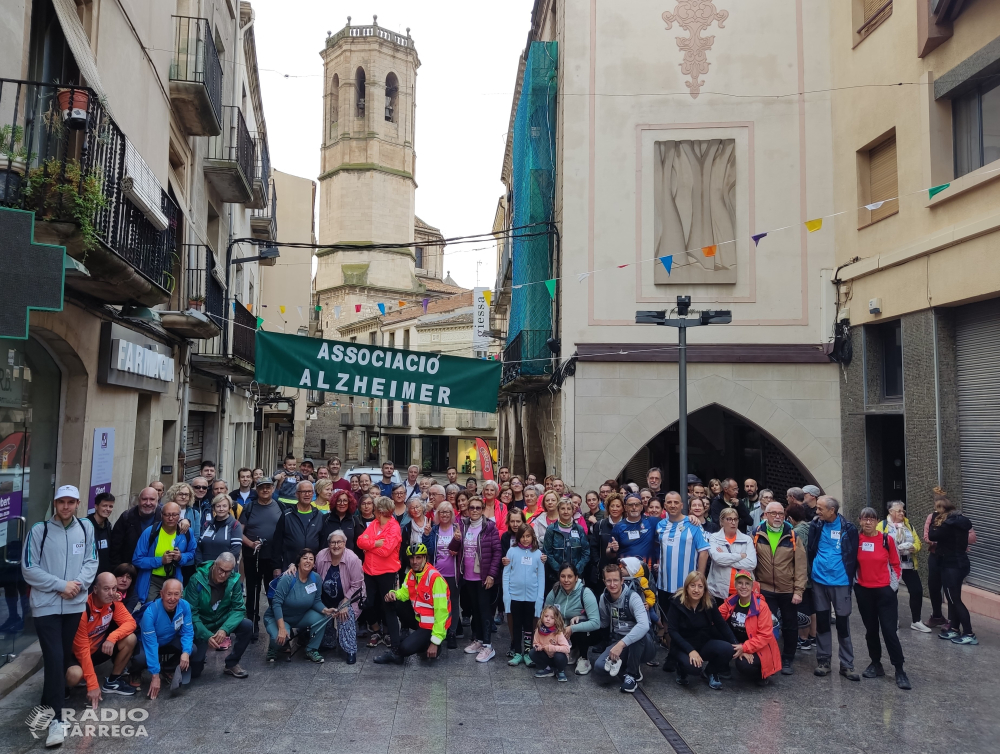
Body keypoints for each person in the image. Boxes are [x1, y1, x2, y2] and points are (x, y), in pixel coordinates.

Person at [22, 484, 98, 745]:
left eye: (71, 502)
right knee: (54, 657)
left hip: (74, 605)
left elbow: (92, 561)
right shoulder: (38, 530)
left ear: (77, 504)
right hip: (46, 607)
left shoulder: (86, 528)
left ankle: (47, 701)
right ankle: (56, 720)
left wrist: (76, 585)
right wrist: (60, 585)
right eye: (61, 502)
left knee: (62, 657)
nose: (66, 506)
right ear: (55, 504)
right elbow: (29, 568)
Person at [854, 508, 910, 689]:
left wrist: (892, 586)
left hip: (885, 592)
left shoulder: (887, 540)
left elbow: (896, 563)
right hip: (864, 591)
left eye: (871, 519)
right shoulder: (856, 540)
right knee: (871, 630)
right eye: (865, 519)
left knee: (889, 631)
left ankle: (899, 669)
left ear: (877, 521)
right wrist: (856, 584)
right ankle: (875, 663)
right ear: (860, 521)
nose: (868, 522)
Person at [807, 496, 860, 680]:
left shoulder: (849, 528)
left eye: (821, 509)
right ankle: (823, 661)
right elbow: (811, 550)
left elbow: (853, 554)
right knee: (822, 621)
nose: (817, 511)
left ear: (832, 510)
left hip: (841, 581)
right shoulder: (816, 525)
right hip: (819, 580)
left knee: (843, 624)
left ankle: (847, 664)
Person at [372, 543, 451, 664]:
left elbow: (442, 613)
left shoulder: (435, 578)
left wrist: (435, 641)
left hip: (431, 625)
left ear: (425, 558)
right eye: (412, 558)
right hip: (418, 619)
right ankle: (395, 650)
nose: (414, 561)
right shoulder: (411, 574)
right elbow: (403, 593)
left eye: (418, 557)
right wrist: (393, 594)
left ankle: (431, 644)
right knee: (389, 601)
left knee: (405, 648)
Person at [752, 502, 807, 675]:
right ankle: (768, 656)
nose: (777, 517)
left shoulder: (792, 535)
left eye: (781, 514)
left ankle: (788, 658)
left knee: (790, 625)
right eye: (774, 513)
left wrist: (798, 590)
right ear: (765, 515)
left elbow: (801, 566)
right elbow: (751, 563)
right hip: (765, 589)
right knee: (767, 625)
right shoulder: (756, 534)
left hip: (787, 589)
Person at [67, 572, 138, 706]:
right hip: (77, 655)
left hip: (96, 650)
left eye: (114, 588)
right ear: (95, 589)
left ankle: (112, 681)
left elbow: (131, 623)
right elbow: (82, 650)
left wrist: (112, 637)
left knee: (130, 638)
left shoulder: (113, 604)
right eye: (106, 589)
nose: (111, 593)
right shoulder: (83, 609)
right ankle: (62, 687)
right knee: (74, 675)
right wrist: (93, 684)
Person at [184, 552, 252, 679]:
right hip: (202, 623)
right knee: (195, 673)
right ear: (214, 565)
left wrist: (224, 629)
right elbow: (191, 613)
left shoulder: (234, 580)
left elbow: (239, 609)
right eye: (221, 570)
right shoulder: (196, 579)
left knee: (247, 625)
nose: (223, 574)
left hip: (221, 619)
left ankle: (232, 663)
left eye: (228, 571)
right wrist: (207, 635)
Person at [667, 571, 737, 690]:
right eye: (692, 585)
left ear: (704, 589)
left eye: (700, 586)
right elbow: (672, 631)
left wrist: (738, 645)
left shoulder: (709, 602)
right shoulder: (677, 602)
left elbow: (722, 625)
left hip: (703, 642)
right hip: (683, 646)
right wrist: (690, 650)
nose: (696, 590)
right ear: (686, 587)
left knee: (728, 648)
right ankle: (681, 668)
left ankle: (711, 671)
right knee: (694, 669)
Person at [592, 564, 656, 693]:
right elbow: (603, 623)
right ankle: (629, 664)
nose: (612, 584)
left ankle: (632, 675)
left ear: (622, 580)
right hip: (618, 640)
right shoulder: (603, 599)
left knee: (638, 632)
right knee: (599, 668)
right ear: (604, 581)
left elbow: (644, 625)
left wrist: (621, 644)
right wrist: (583, 619)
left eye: (615, 580)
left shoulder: (633, 597)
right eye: (608, 580)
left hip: (644, 645)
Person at [263, 548, 329, 663]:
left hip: (301, 616)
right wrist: (282, 628)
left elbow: (316, 601)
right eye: (305, 558)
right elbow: (276, 603)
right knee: (279, 640)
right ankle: (273, 647)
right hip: (279, 617)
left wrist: (325, 610)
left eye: (311, 559)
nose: (308, 561)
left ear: (314, 564)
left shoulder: (316, 578)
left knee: (323, 617)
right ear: (298, 562)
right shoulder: (288, 577)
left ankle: (311, 649)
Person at [717, 571, 781, 686]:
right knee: (716, 633)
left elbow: (764, 636)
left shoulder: (761, 606)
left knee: (744, 665)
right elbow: (716, 618)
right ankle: (722, 667)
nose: (743, 586)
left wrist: (745, 648)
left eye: (747, 583)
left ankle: (763, 674)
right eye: (740, 583)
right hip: (740, 643)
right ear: (735, 585)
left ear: (752, 586)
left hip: (760, 646)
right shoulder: (731, 601)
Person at [131, 579, 193, 698]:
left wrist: (185, 652)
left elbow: (187, 632)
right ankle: (135, 672)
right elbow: (151, 644)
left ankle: (167, 668)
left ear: (181, 594)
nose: (172, 598)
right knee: (140, 659)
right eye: (169, 594)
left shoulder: (185, 606)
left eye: (176, 594)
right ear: (162, 594)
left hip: (169, 639)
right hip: (149, 642)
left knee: (192, 649)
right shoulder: (150, 613)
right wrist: (155, 675)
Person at [928, 491, 976, 645]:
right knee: (952, 598)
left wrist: (933, 519)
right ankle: (955, 628)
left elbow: (932, 536)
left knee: (955, 600)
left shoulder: (947, 525)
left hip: (952, 565)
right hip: (961, 563)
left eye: (937, 509)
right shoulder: (960, 521)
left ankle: (969, 633)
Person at [357, 496, 403, 651]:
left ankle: (395, 643)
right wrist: (375, 543)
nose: (373, 510)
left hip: (387, 572)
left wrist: (368, 546)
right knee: (367, 603)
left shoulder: (394, 527)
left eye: (375, 508)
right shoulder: (375, 524)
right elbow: (359, 541)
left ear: (381, 511)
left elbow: (386, 551)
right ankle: (376, 630)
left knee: (388, 606)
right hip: (369, 571)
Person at [239, 477, 282, 642]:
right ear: (256, 489)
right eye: (261, 487)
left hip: (273, 557)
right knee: (252, 591)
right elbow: (238, 531)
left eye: (268, 487)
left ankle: (275, 622)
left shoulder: (280, 506)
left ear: (272, 489)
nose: (265, 490)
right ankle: (252, 624)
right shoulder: (249, 507)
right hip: (253, 556)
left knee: (273, 592)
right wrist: (250, 543)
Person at [877, 501, 929, 632]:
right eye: (899, 511)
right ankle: (893, 619)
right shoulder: (882, 526)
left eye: (903, 510)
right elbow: (877, 543)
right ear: (891, 512)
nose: (902, 513)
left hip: (908, 564)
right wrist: (892, 549)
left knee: (917, 591)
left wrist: (913, 547)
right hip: (890, 566)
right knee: (891, 593)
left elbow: (918, 542)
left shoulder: (908, 525)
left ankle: (916, 621)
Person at [460, 496, 501, 662]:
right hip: (468, 576)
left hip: (483, 577)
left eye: (478, 508)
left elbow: (497, 552)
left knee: (484, 610)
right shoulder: (463, 526)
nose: (475, 511)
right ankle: (477, 640)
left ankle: (488, 646)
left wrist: (491, 574)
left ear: (483, 509)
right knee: (474, 609)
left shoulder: (490, 527)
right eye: (472, 508)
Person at [315, 530, 365, 662]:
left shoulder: (352, 559)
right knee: (320, 612)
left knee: (345, 614)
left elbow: (357, 585)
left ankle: (350, 650)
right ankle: (328, 642)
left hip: (350, 597)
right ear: (328, 544)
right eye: (333, 542)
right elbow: (314, 574)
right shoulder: (321, 555)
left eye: (339, 542)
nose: (336, 545)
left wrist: (344, 603)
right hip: (326, 596)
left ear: (345, 543)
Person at [132, 502, 196, 606]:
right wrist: (160, 560)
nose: (171, 518)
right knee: (150, 609)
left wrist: (180, 557)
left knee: (173, 608)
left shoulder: (187, 532)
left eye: (174, 515)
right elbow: (137, 559)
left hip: (174, 578)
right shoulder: (150, 532)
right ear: (161, 515)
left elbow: (192, 552)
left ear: (179, 515)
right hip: (152, 580)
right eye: (167, 515)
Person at [545, 562, 601, 675]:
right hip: (562, 630)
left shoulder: (585, 592)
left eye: (570, 576)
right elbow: (545, 613)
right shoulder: (555, 591)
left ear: (576, 578)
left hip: (587, 633)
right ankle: (573, 649)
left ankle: (584, 658)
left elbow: (596, 622)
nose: (566, 580)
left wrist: (572, 628)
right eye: (563, 576)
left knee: (578, 621)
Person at [656, 492, 710, 608]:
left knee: (686, 622)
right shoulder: (660, 525)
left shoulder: (693, 524)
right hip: (663, 584)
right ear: (665, 505)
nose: (673, 505)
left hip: (687, 585)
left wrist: (699, 578)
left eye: (676, 502)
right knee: (667, 620)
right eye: (669, 502)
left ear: (682, 505)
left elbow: (704, 552)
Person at [502, 524, 546, 665]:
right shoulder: (512, 551)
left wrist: (539, 598)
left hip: (532, 597)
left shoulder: (538, 554)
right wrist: (506, 595)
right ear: (518, 537)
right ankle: (516, 652)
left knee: (529, 625)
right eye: (522, 536)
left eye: (528, 536)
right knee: (516, 625)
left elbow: (541, 577)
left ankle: (527, 653)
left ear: (533, 537)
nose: (525, 539)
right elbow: (506, 574)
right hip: (515, 596)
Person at [426, 501, 463, 648]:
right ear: (437, 514)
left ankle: (452, 632)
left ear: (452, 514)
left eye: (448, 512)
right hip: (437, 574)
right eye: (442, 512)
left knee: (453, 603)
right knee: (438, 603)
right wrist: (426, 535)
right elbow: (428, 550)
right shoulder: (434, 530)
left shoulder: (457, 529)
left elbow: (463, 552)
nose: (445, 514)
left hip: (453, 573)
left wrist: (459, 541)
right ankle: (439, 631)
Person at [271, 481, 325, 575]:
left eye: (309, 491)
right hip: (290, 567)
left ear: (313, 494)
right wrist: (276, 567)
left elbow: (323, 544)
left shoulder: (319, 516)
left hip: (313, 568)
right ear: (296, 494)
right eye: (303, 491)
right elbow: (277, 542)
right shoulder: (287, 515)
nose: (307, 494)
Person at [707, 508, 757, 602]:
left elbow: (751, 564)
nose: (733, 522)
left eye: (735, 519)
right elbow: (717, 558)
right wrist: (739, 556)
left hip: (743, 592)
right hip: (718, 592)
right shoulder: (714, 538)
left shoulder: (747, 539)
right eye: (729, 519)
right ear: (722, 521)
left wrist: (725, 557)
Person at [785, 502, 817, 651]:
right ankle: (813, 636)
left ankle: (803, 639)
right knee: (812, 607)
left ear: (790, 518)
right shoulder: (811, 526)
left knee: (803, 607)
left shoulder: (796, 532)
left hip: (804, 574)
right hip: (815, 574)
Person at [108, 486, 161, 569]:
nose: (148, 503)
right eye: (144, 499)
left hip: (155, 570)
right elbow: (115, 547)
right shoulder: (126, 517)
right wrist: (119, 570)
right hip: (130, 571)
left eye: (152, 499)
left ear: (157, 501)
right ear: (138, 500)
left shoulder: (164, 517)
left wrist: (186, 521)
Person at [543, 499, 590, 590]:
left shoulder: (579, 529)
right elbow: (547, 552)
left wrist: (576, 571)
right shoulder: (551, 529)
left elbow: (586, 552)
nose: (565, 511)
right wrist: (561, 572)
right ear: (558, 510)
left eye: (568, 509)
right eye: (562, 508)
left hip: (576, 576)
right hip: (555, 577)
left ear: (573, 511)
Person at [195, 495, 243, 566]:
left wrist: (220, 567)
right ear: (213, 508)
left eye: (224, 506)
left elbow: (235, 550)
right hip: (204, 568)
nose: (221, 509)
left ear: (229, 507)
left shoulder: (235, 525)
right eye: (218, 506)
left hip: (225, 569)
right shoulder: (207, 524)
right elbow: (199, 547)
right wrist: (200, 564)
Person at [529, 605, 572, 682]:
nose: (548, 619)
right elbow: (535, 643)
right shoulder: (538, 630)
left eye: (552, 618)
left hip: (559, 657)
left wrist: (551, 647)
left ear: (556, 620)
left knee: (559, 655)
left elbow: (567, 648)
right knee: (532, 652)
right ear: (542, 616)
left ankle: (560, 670)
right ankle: (549, 669)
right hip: (547, 656)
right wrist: (538, 646)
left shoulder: (558, 632)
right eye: (546, 616)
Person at [611, 494, 658, 562]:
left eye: (637, 504)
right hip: (626, 570)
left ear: (642, 507)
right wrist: (613, 550)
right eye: (630, 505)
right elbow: (609, 554)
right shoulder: (618, 527)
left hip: (647, 569)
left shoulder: (652, 521)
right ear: (625, 507)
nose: (634, 507)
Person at [400, 497, 432, 580]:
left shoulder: (431, 524)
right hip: (412, 565)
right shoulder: (407, 527)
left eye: (417, 506)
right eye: (412, 508)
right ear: (409, 511)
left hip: (429, 566)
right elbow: (404, 549)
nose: (415, 510)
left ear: (422, 507)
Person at [321, 489, 360, 555]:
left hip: (348, 560)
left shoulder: (354, 520)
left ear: (349, 503)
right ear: (334, 502)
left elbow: (357, 543)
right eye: (339, 501)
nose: (342, 503)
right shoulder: (325, 518)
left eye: (345, 501)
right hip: (327, 559)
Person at [88, 492, 115, 575]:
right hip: (89, 574)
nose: (108, 509)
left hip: (104, 574)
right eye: (104, 505)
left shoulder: (108, 525)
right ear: (96, 506)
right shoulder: (86, 525)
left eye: (110, 506)